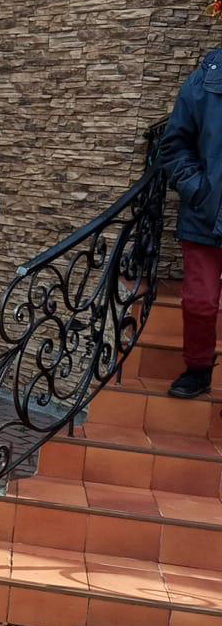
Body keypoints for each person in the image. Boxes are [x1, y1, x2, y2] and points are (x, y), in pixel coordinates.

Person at [160, 41, 222, 399]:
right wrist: (197, 190)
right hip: (206, 214)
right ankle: (198, 369)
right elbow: (175, 144)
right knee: (200, 302)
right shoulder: (205, 80)